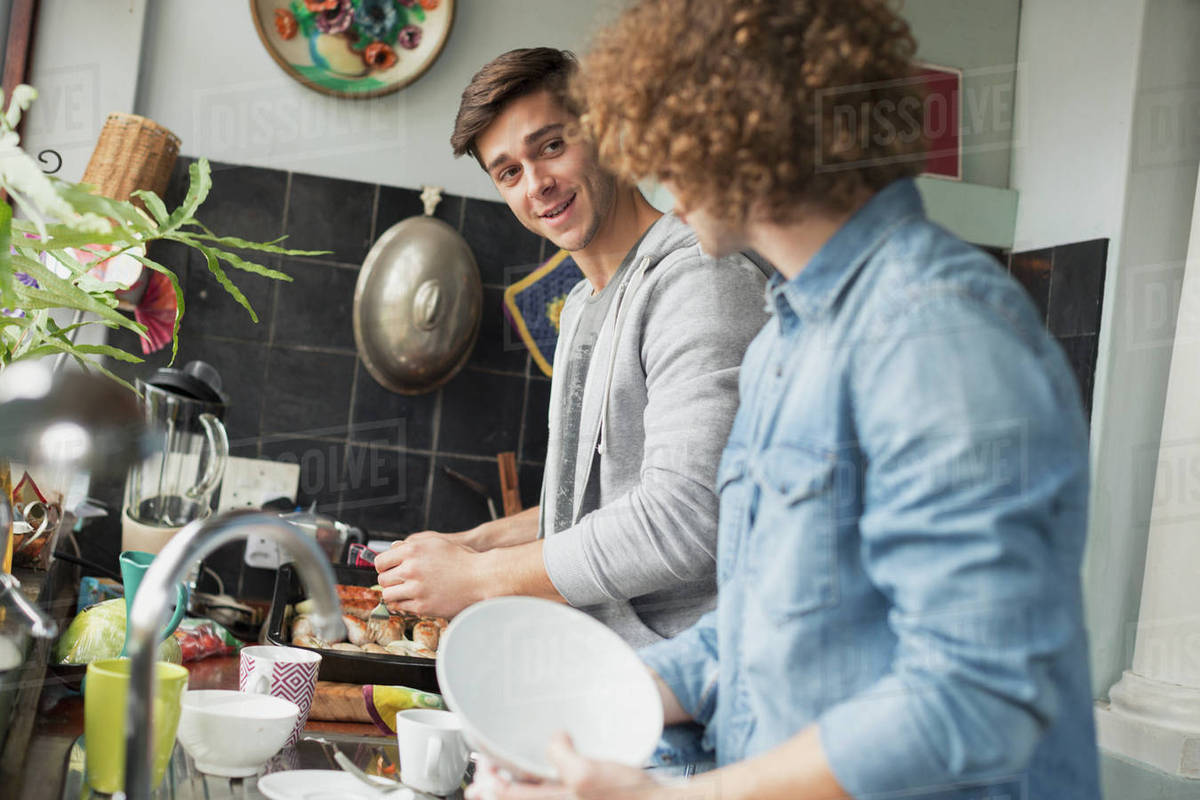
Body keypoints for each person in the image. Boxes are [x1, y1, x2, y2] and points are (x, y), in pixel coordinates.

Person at [476, 2, 1101, 799]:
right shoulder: (782, 341)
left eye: (669, 135)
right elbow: (749, 639)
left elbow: (974, 697)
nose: (657, 171)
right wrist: (566, 719)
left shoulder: (940, 332)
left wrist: (674, 797)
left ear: (748, 128)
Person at [374, 48, 769, 648]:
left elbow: (686, 520)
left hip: (693, 697)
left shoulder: (699, 281)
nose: (537, 185)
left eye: (551, 146)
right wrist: (475, 544)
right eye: (509, 172)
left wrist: (480, 577)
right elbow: (599, 506)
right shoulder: (583, 305)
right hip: (602, 678)